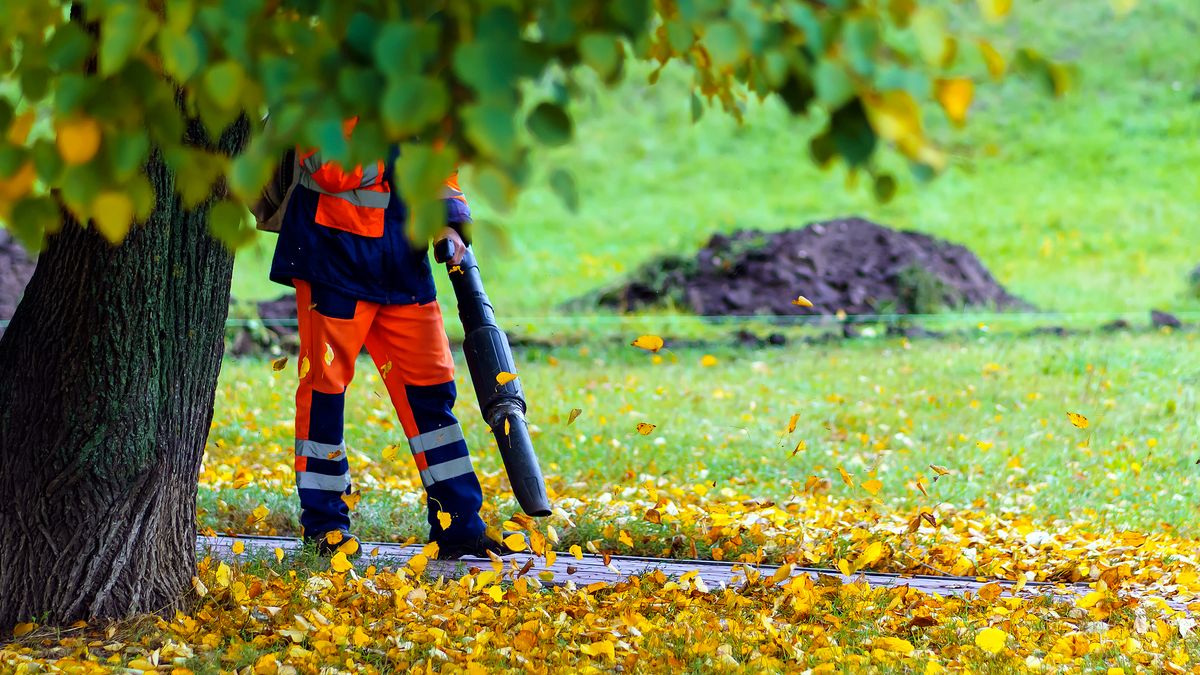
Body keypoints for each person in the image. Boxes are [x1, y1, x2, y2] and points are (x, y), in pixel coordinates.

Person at [270, 122, 503, 559]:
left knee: (431, 390)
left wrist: (449, 224)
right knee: (325, 390)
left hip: (403, 260)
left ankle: (459, 524)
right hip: (333, 258)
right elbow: (328, 170)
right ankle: (325, 530)